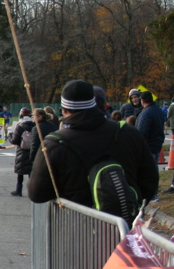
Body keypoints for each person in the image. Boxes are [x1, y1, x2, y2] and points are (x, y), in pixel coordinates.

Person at [29, 79, 158, 208]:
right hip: (122, 218)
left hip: (74, 218)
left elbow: (37, 193)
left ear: (64, 110)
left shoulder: (53, 144)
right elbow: (150, 179)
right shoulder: (128, 133)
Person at [9, 108, 35, 197]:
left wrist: (10, 136)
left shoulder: (20, 125)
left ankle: (18, 190)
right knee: (31, 172)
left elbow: (15, 140)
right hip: (33, 150)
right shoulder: (35, 125)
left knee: (20, 172)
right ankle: (32, 191)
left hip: (22, 150)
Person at [136, 91, 165, 166]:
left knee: (146, 170)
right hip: (157, 146)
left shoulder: (146, 113)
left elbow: (142, 132)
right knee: (154, 169)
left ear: (143, 101)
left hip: (148, 148)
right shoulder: (158, 110)